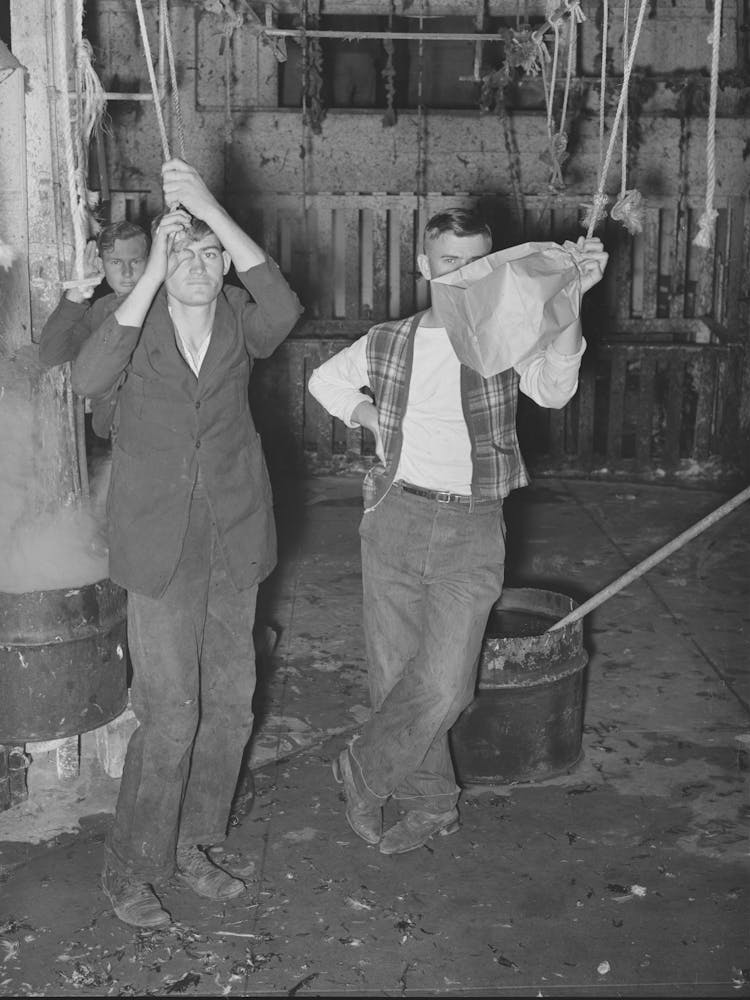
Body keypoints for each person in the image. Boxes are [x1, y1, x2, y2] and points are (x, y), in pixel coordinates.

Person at [307, 208, 608, 855]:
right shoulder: (392, 339)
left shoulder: (504, 338)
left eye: (475, 264)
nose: (463, 274)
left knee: (446, 684)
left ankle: (363, 769)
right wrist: (374, 418)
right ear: (426, 267)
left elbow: (555, 390)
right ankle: (433, 805)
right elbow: (324, 381)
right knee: (395, 677)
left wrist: (571, 300)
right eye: (449, 263)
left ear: (492, 267)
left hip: (471, 526)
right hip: (394, 518)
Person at [71, 158, 303, 928]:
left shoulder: (241, 313)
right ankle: (132, 865)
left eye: (211, 254)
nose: (201, 266)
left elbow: (284, 302)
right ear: (164, 267)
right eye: (186, 254)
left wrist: (208, 208)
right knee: (171, 713)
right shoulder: (135, 330)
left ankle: (198, 844)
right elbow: (86, 375)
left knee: (231, 705)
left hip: (234, 536)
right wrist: (150, 275)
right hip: (158, 544)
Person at [38, 220, 150, 439]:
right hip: (119, 435)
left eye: (136, 261)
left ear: (149, 262)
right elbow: (51, 353)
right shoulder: (101, 309)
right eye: (116, 262)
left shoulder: (166, 304)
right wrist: (77, 292)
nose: (127, 272)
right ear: (101, 264)